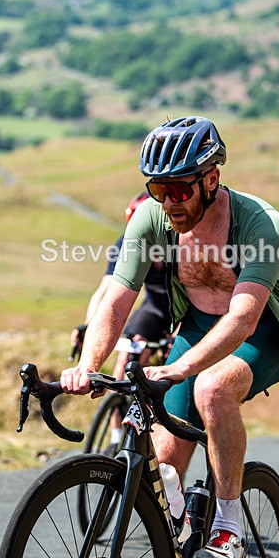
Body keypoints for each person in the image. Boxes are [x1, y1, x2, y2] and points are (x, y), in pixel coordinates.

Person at [61, 116, 279, 558]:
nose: (169, 203)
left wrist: (181, 369)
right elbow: (118, 297)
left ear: (211, 179)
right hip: (198, 328)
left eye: (179, 190)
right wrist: (88, 365)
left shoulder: (261, 224)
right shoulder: (151, 219)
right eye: (159, 190)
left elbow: (243, 318)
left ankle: (227, 530)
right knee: (162, 469)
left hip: (267, 331)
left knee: (212, 391)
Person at [70, 192, 172, 452]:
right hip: (155, 308)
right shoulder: (126, 243)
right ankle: (116, 437)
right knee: (125, 359)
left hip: (183, 313)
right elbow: (105, 292)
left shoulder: (178, 243)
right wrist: (87, 326)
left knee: (169, 365)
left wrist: (174, 336)